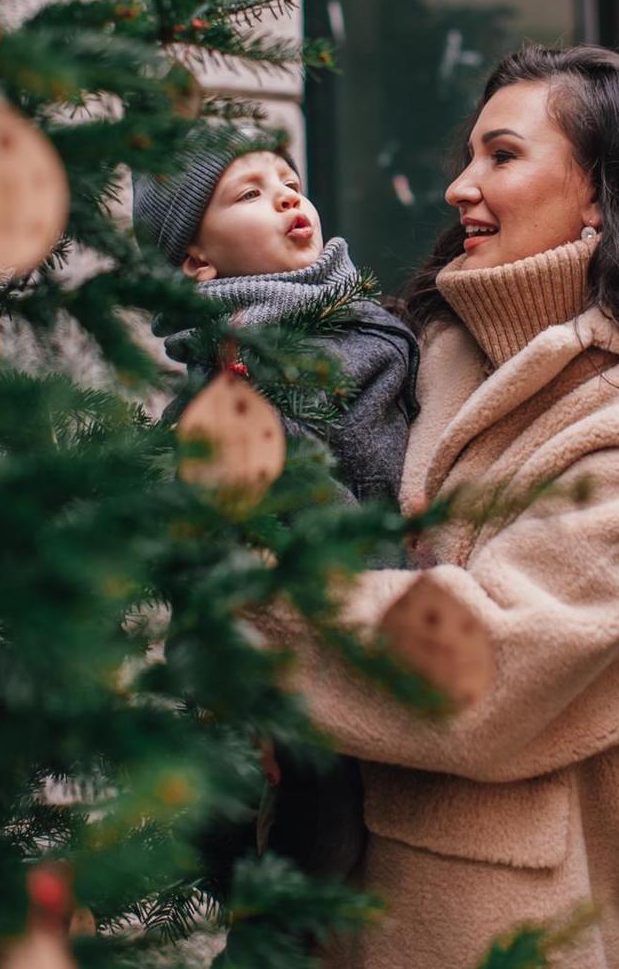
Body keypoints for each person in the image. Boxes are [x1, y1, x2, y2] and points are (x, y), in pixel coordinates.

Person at [253, 43, 619, 969]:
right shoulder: (431, 350)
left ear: (600, 191)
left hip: (489, 921)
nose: (460, 186)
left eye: (502, 156)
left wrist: (246, 606)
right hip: (320, 899)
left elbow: (489, 669)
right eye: (468, 156)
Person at [131, 127, 419, 890]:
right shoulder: (234, 361)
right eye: (249, 193)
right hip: (295, 632)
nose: (287, 196)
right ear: (196, 260)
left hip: (377, 616)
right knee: (311, 833)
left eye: (288, 180)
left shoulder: (365, 317)